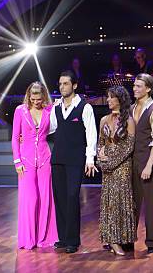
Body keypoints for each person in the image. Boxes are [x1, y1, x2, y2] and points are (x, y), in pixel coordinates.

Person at [49, 70, 98, 254]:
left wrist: (90, 158)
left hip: (75, 160)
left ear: (74, 85)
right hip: (58, 159)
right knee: (60, 199)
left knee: (71, 197)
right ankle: (63, 238)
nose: (62, 87)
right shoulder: (56, 108)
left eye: (66, 84)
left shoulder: (84, 107)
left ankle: (73, 240)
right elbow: (50, 129)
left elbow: (91, 134)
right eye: (60, 84)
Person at [12, 82, 58, 249]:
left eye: (39, 98)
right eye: (33, 98)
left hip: (45, 159)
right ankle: (28, 239)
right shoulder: (20, 111)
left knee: (45, 198)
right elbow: (15, 137)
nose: (36, 101)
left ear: (43, 96)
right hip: (26, 160)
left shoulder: (49, 110)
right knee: (31, 199)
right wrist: (17, 161)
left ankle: (43, 237)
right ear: (29, 96)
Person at [98, 86, 136, 256]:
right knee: (110, 202)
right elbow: (100, 144)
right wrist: (101, 160)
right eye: (107, 97)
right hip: (108, 168)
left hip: (122, 167)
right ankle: (111, 240)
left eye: (111, 97)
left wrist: (111, 162)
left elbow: (128, 147)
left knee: (121, 201)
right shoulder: (104, 120)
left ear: (119, 99)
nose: (108, 100)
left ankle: (121, 237)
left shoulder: (128, 121)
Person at [130, 73, 153, 253]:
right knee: (131, 203)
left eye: (138, 86)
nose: (135, 89)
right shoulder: (131, 108)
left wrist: (149, 165)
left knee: (150, 204)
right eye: (134, 86)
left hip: (147, 160)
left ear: (148, 89)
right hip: (132, 161)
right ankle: (128, 239)